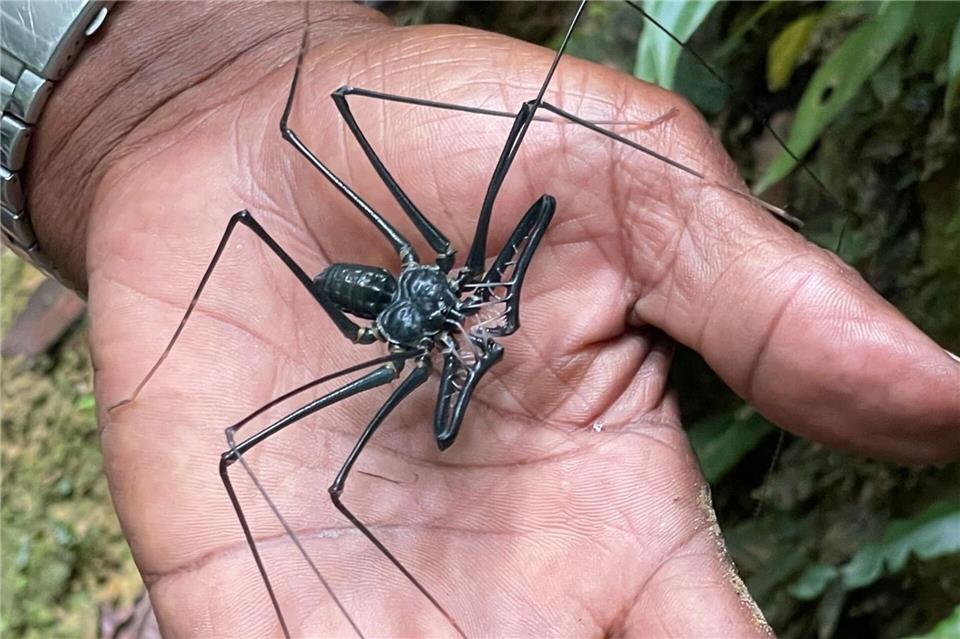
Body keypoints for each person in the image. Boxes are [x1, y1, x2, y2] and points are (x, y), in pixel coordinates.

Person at [23, 3, 959, 637]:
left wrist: (195, 73)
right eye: (453, 332)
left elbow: (341, 121)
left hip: (415, 273)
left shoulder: (445, 262)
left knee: (435, 113)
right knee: (249, 453)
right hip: (378, 316)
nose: (466, 330)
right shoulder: (390, 353)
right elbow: (287, 461)